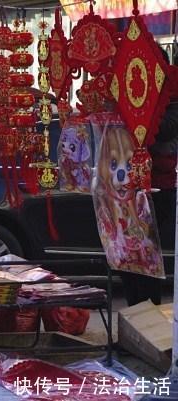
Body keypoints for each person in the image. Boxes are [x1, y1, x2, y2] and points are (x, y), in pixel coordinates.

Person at [120, 45, 177, 306]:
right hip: (127, 191)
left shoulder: (172, 98)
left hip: (158, 190)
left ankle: (148, 317)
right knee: (129, 261)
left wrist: (141, 109)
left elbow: (164, 132)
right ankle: (132, 322)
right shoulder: (130, 99)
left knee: (150, 260)